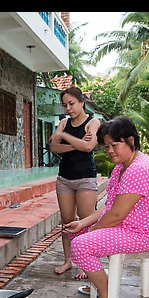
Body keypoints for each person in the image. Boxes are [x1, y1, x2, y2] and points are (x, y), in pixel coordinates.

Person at [65, 116, 149, 298]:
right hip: (128, 227)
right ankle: (100, 282)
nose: (110, 150)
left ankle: (105, 297)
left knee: (82, 245)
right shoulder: (122, 167)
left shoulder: (138, 169)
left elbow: (116, 215)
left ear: (130, 140)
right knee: (79, 232)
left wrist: (93, 232)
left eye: (115, 144)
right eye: (106, 146)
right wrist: (84, 223)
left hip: (141, 235)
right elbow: (108, 207)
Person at [50, 86, 101, 280]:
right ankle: (68, 260)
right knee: (67, 223)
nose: (68, 108)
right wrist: (73, 143)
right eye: (65, 105)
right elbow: (54, 147)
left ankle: (85, 263)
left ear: (82, 102)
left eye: (72, 104)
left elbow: (88, 146)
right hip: (64, 178)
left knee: (85, 223)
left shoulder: (93, 122)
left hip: (85, 178)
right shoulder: (64, 123)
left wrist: (64, 138)